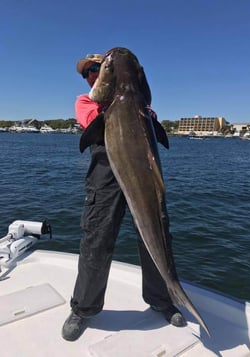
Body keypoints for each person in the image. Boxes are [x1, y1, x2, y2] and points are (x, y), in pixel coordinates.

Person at [62, 52, 186, 341]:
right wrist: (121, 106)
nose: (92, 73)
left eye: (97, 68)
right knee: (97, 238)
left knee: (157, 234)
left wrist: (138, 103)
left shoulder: (143, 106)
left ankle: (163, 299)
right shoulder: (85, 101)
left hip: (144, 175)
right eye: (89, 71)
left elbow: (155, 131)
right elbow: (91, 126)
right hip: (105, 178)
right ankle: (83, 308)